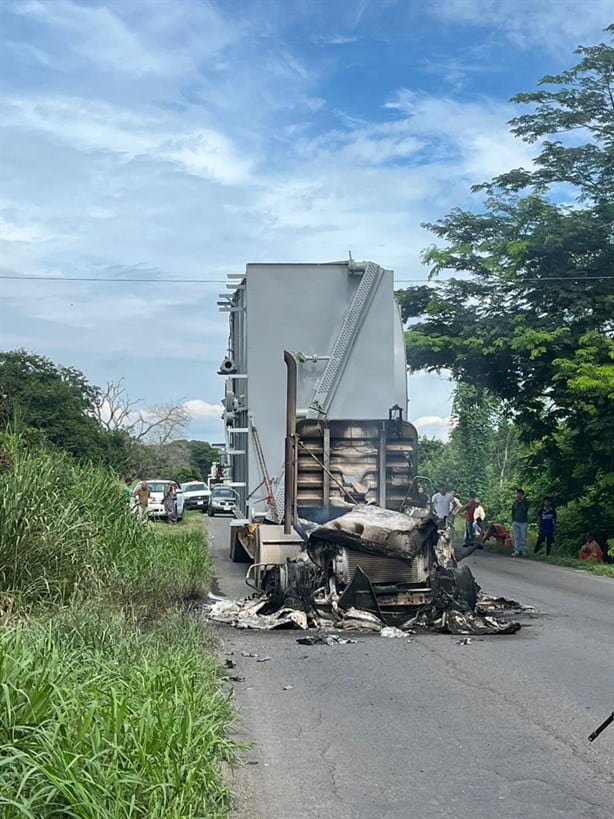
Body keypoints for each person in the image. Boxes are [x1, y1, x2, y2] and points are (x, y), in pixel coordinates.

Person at [511, 488, 529, 556]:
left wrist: (522, 501)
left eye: (520, 494)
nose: (518, 495)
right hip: (516, 522)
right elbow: (513, 511)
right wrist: (513, 520)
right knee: (517, 537)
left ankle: (523, 550)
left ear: (522, 495)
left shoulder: (526, 502)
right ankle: (517, 550)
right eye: (517, 494)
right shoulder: (515, 503)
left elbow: (525, 509)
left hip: (523, 522)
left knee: (523, 537)